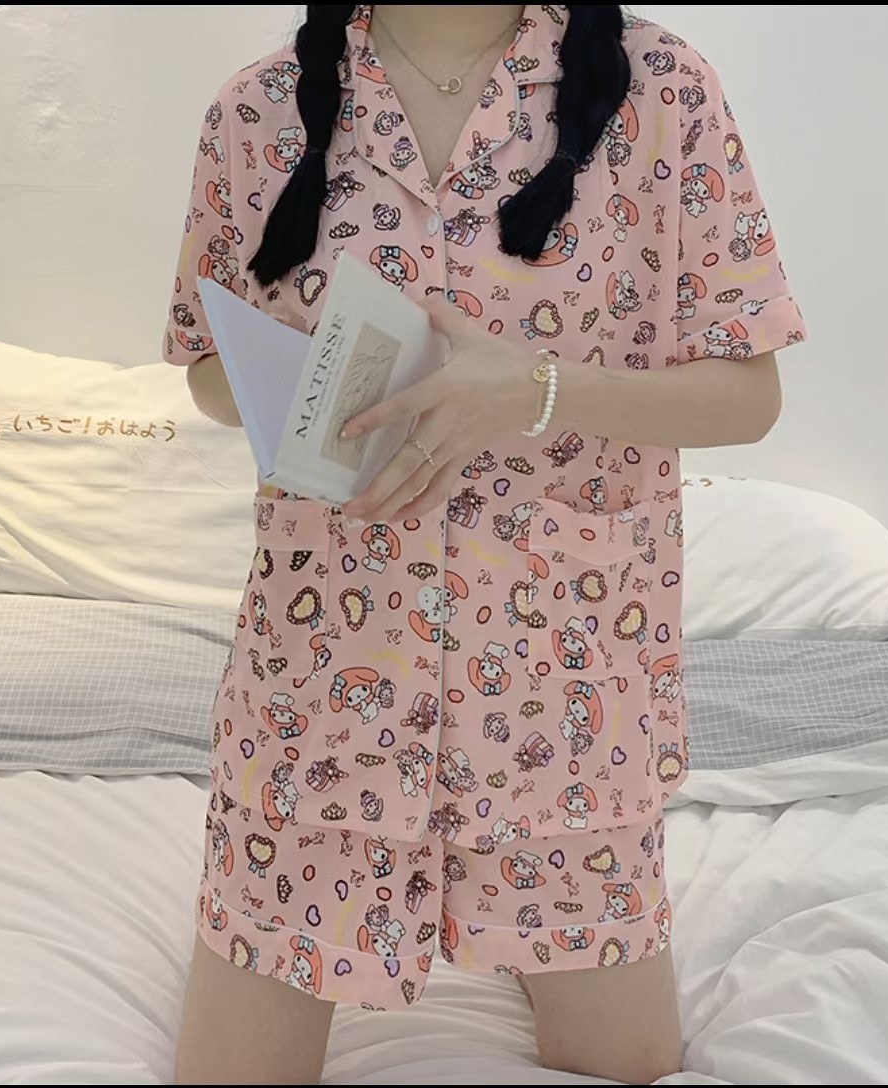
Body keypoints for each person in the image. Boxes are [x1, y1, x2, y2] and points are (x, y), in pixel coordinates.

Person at [164, 5, 806, 1083]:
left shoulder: (660, 90)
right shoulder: (257, 110)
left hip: (565, 704)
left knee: (628, 1063)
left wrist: (531, 390)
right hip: (322, 698)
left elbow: (746, 394)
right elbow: (204, 370)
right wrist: (331, 379)